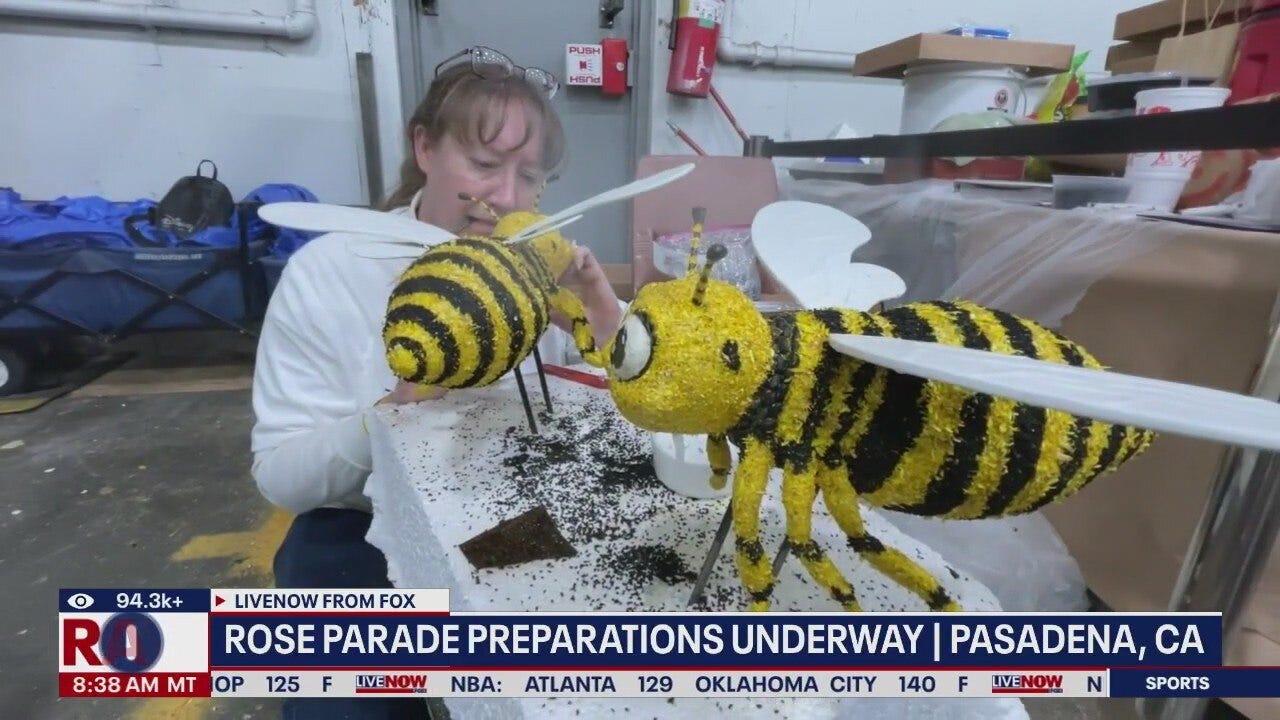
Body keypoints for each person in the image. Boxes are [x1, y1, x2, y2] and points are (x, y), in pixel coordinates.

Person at [249, 46, 622, 719]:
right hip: (356, 529)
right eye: (483, 165)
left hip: (511, 517)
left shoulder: (536, 269)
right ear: (424, 146)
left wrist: (597, 305)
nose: (506, 196)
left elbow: (602, 405)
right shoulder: (329, 271)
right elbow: (281, 476)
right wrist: (391, 416)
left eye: (530, 176)